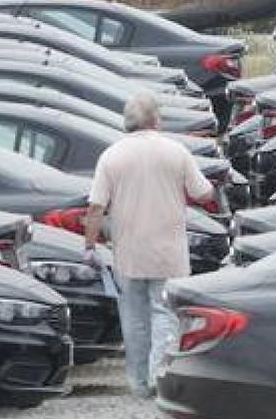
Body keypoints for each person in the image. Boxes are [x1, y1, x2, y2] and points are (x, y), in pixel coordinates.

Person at [84, 92, 215, 397]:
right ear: (157, 119)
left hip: (128, 252)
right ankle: (161, 374)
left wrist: (90, 245)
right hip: (169, 251)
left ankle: (138, 382)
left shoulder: (111, 156)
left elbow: (95, 207)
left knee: (133, 317)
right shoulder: (176, 151)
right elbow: (204, 193)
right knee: (166, 312)